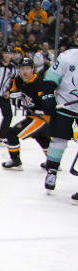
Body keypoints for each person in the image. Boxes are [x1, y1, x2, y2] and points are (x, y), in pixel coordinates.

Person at [39, 47, 78, 194]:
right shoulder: (68, 57)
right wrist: (48, 96)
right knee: (59, 140)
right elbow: (50, 80)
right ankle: (52, 171)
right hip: (65, 104)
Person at [1, 57, 50, 170]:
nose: (25, 71)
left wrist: (42, 108)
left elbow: (48, 100)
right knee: (40, 137)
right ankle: (53, 162)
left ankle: (15, 160)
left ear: (33, 69)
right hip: (32, 116)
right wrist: (13, 96)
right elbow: (13, 93)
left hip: (42, 117)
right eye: (22, 68)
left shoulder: (40, 82)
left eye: (27, 68)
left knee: (11, 133)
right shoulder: (18, 80)